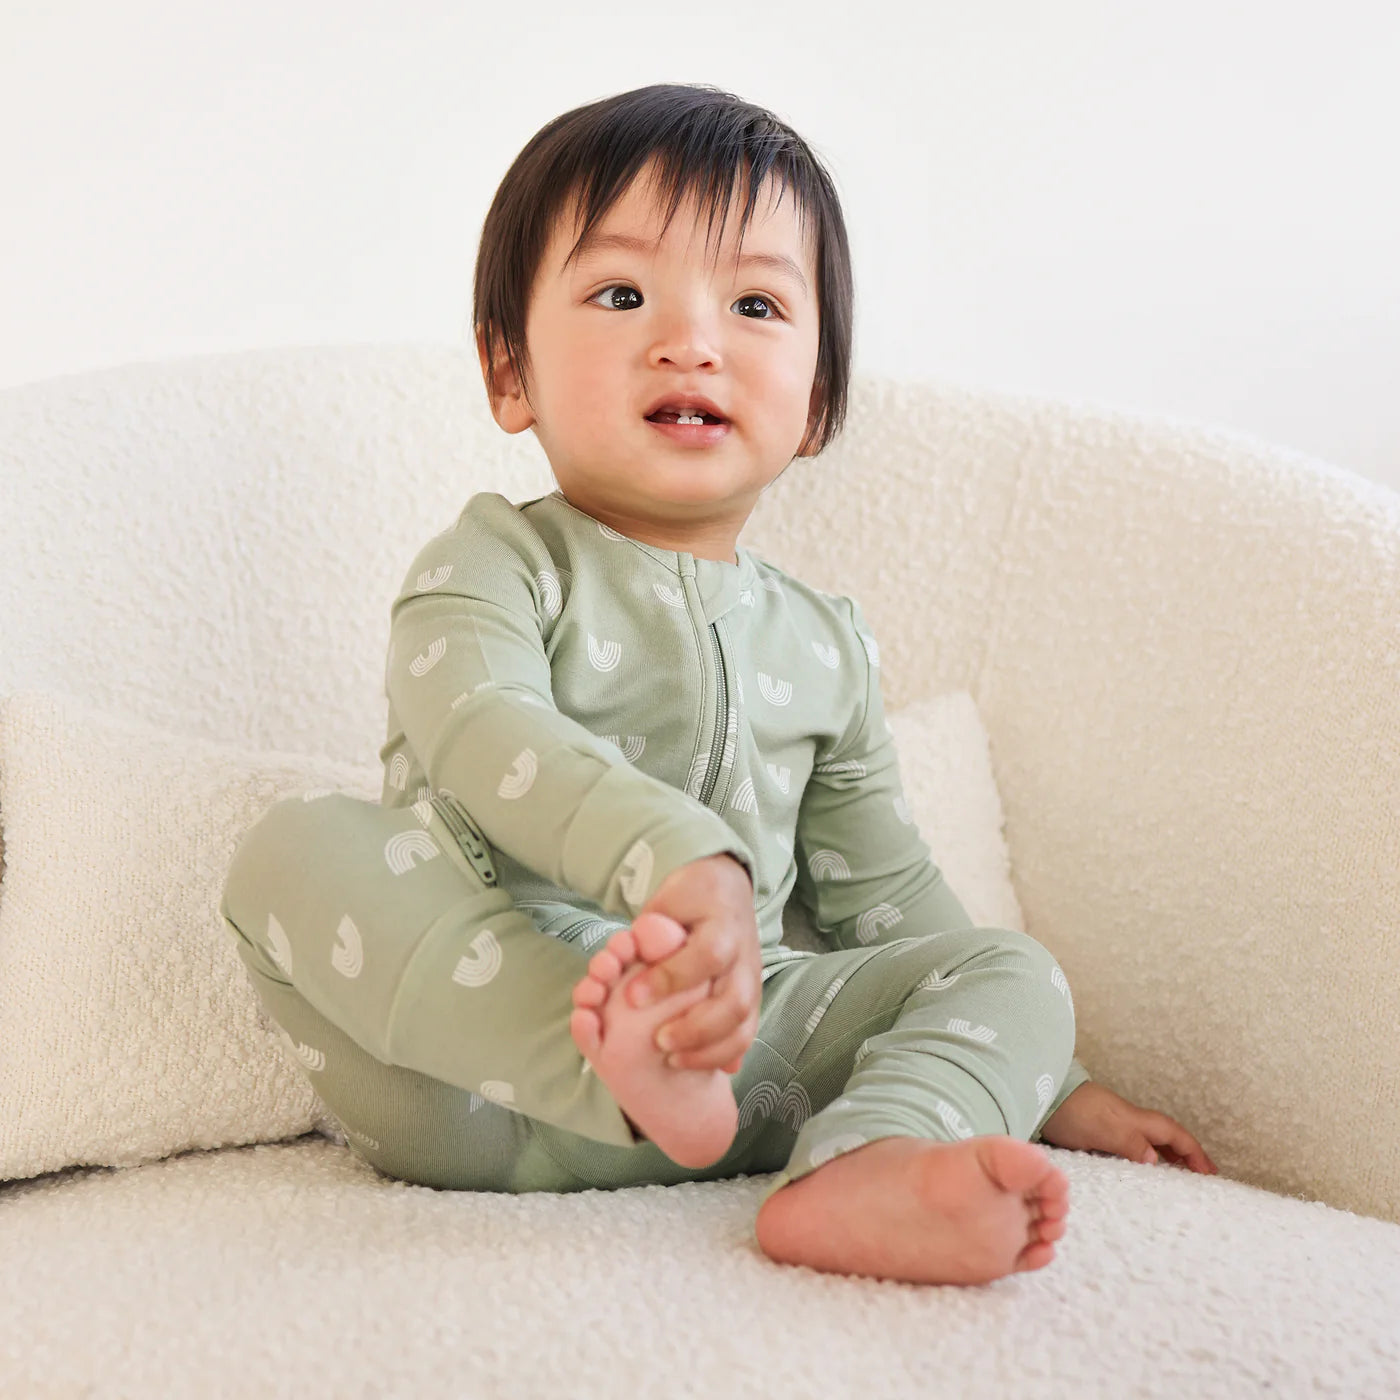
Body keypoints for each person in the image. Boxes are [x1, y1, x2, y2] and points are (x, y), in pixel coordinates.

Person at [219, 81, 1216, 1288]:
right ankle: (605, 1063)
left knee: (1010, 969)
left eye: (751, 302)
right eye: (621, 293)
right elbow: (485, 731)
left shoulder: (826, 646)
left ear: (816, 404)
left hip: (736, 1066)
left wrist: (1053, 1085)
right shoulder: (488, 564)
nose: (688, 340)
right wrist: (678, 858)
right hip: (467, 1075)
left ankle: (867, 1167)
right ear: (509, 373)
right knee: (291, 847)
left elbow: (883, 895)